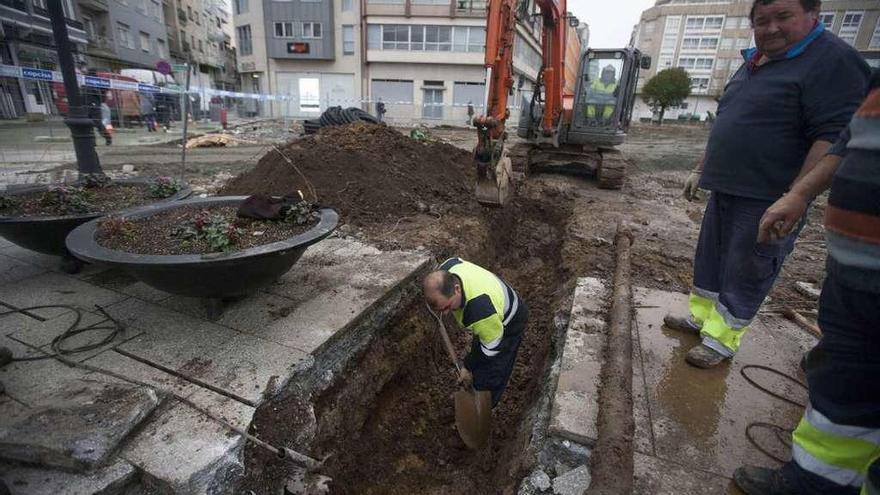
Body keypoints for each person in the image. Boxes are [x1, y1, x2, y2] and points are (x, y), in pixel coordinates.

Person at [664, 0, 870, 368]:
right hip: (728, 187)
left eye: (782, 17)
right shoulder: (754, 62)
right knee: (711, 261)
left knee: (749, 267)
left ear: (813, 14)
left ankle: (721, 339)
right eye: (761, 21)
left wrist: (797, 196)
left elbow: (835, 136)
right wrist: (701, 168)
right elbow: (728, 118)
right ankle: (702, 318)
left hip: (769, 196)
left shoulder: (833, 61)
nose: (771, 28)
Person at [733, 69, 880, 495]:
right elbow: (849, 141)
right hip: (854, 271)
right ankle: (812, 483)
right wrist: (800, 193)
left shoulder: (833, 62)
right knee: (844, 383)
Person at [422, 257, 528, 408]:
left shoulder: (479, 310)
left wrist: (468, 366)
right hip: (490, 314)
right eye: (441, 309)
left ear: (457, 288)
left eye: (447, 306)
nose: (445, 314)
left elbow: (490, 350)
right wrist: (469, 366)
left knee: (493, 370)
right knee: (481, 342)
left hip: (510, 322)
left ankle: (486, 406)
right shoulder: (448, 268)